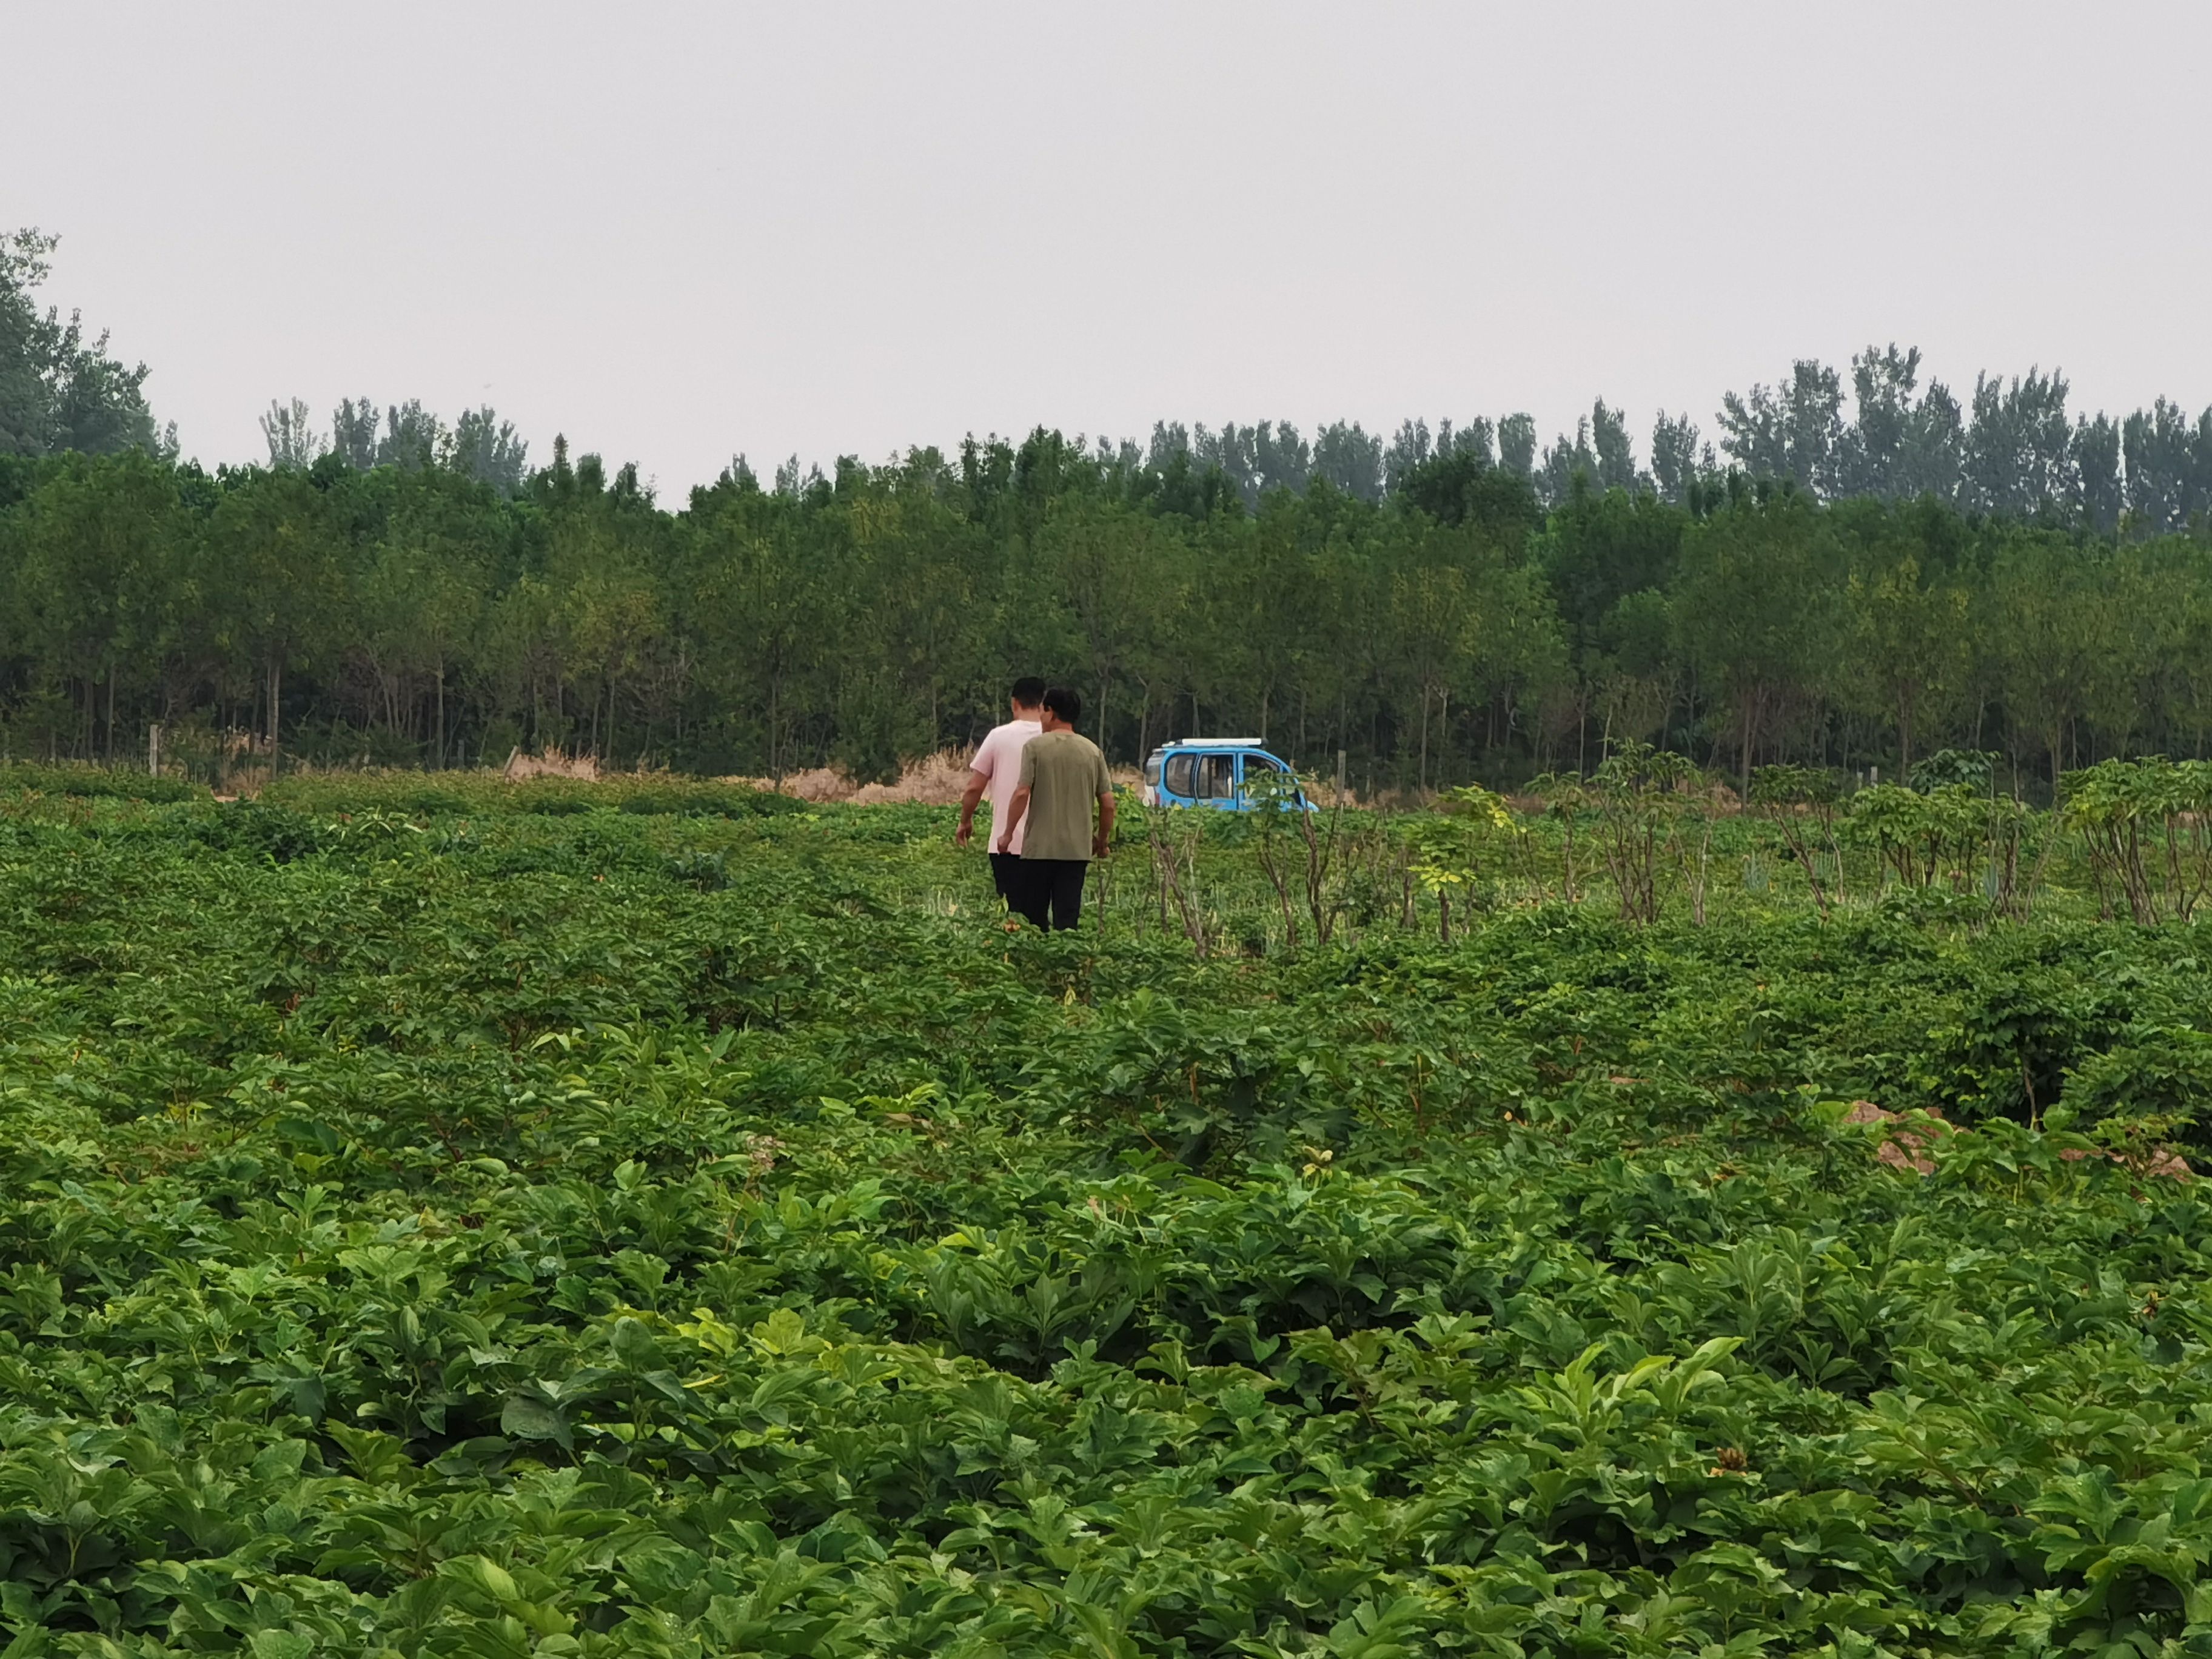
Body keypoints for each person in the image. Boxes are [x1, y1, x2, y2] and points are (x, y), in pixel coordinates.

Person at [1004, 686, 1114, 930]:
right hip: (1076, 851)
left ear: (1051, 712)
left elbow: (1022, 792)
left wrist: (1008, 833)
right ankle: (1066, 965)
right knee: (1067, 918)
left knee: (1035, 918)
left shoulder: (1035, 748)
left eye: (1043, 711)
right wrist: (1102, 841)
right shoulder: (1092, 752)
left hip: (1039, 849)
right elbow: (1108, 804)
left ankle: (1037, 965)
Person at [956, 676, 1046, 909]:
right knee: (1041, 915)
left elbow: (975, 787)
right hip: (1048, 845)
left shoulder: (999, 736)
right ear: (1043, 703)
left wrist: (965, 821)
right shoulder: (1052, 738)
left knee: (1012, 914)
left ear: (1014, 703)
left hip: (1006, 844)